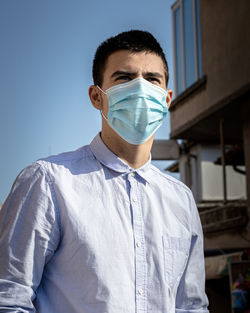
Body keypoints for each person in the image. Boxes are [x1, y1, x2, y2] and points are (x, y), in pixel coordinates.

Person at [0, 30, 209, 313]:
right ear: (97, 97)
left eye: (152, 79)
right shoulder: (48, 182)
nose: (140, 89)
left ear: (167, 98)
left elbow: (191, 306)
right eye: (124, 78)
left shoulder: (181, 200)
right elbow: (9, 298)